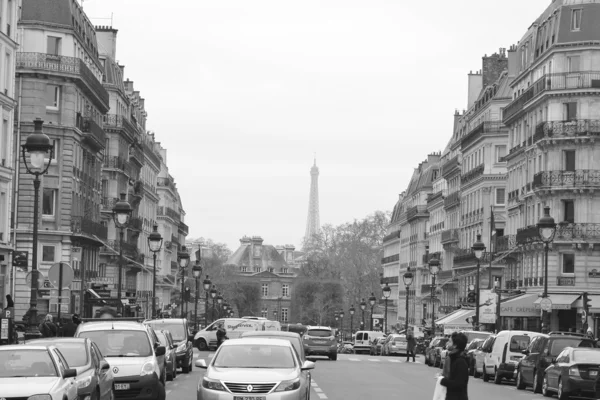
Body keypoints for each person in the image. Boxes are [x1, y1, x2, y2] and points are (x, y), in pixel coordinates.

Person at [440, 332, 469, 400]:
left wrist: (442, 380)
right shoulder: (452, 358)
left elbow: (459, 384)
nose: (447, 343)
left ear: (455, 345)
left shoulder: (460, 362)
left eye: (450, 341)